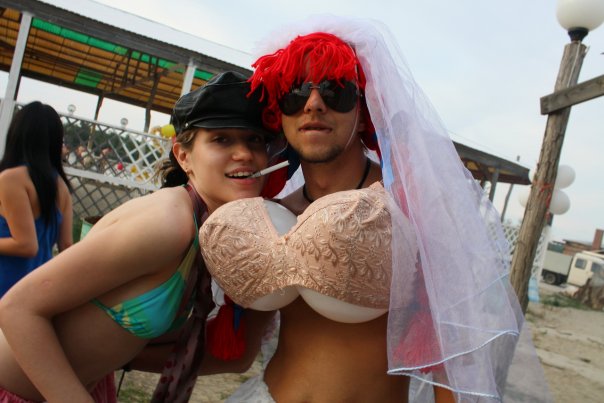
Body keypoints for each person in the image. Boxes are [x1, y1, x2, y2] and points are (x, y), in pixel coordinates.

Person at [199, 16, 524, 402]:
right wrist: (133, 349)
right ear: (277, 111)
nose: (314, 104)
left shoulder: (409, 208)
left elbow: (451, 365)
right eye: (295, 92)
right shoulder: (275, 216)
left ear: (363, 107)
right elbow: (239, 354)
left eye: (336, 91)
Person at [0, 71, 276, 403]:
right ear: (183, 156)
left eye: (254, 140)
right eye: (222, 139)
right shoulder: (167, 224)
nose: (244, 153)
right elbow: (17, 308)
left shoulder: (200, 225)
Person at [0, 101, 73, 298]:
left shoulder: (11, 179)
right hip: (36, 294)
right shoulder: (62, 187)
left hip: (6, 289)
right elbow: (67, 247)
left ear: (17, 133)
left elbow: (26, 245)